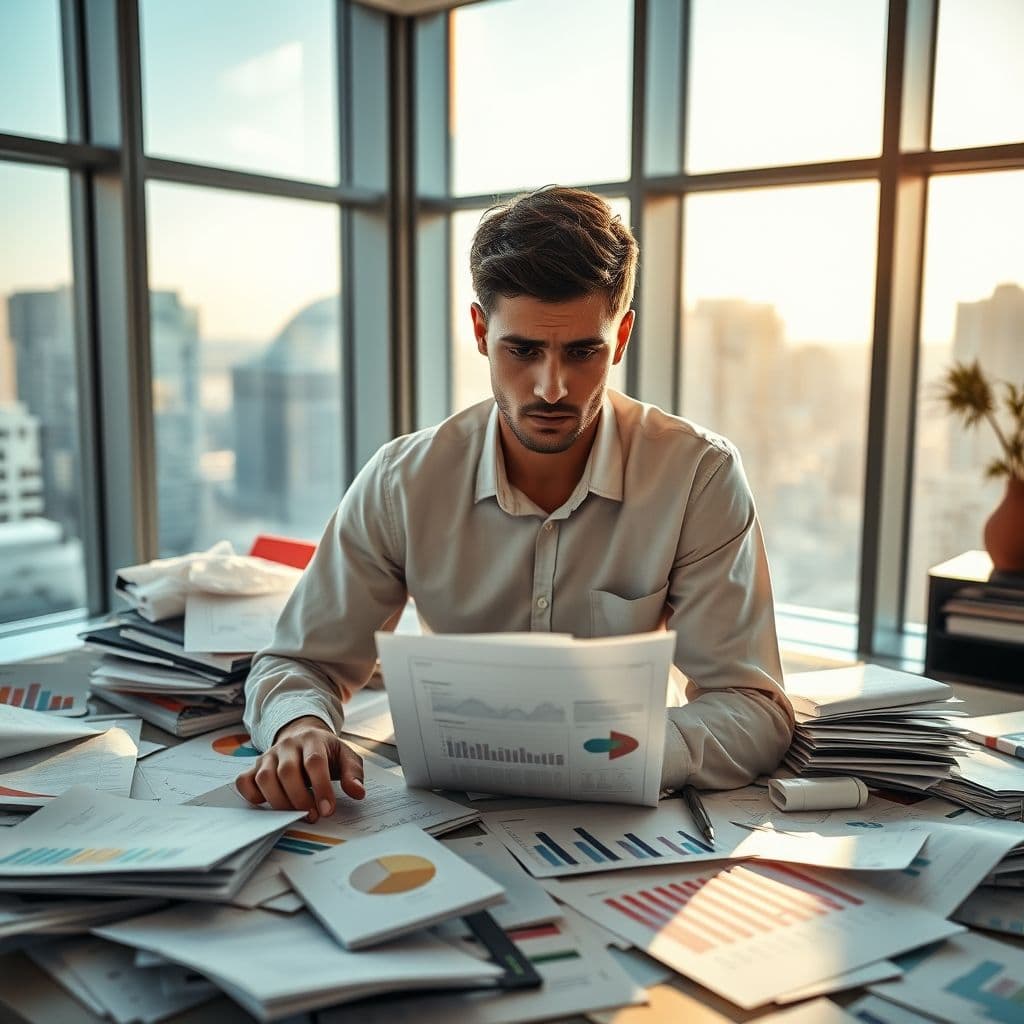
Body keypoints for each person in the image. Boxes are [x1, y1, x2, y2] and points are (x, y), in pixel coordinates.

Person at [238, 185, 794, 822]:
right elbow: (301, 662)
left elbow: (751, 707)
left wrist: (624, 752)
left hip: (624, 803)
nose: (551, 388)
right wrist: (301, 728)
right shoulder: (402, 481)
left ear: (621, 337)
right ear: (481, 331)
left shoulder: (698, 475)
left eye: (582, 352)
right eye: (523, 350)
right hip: (449, 817)